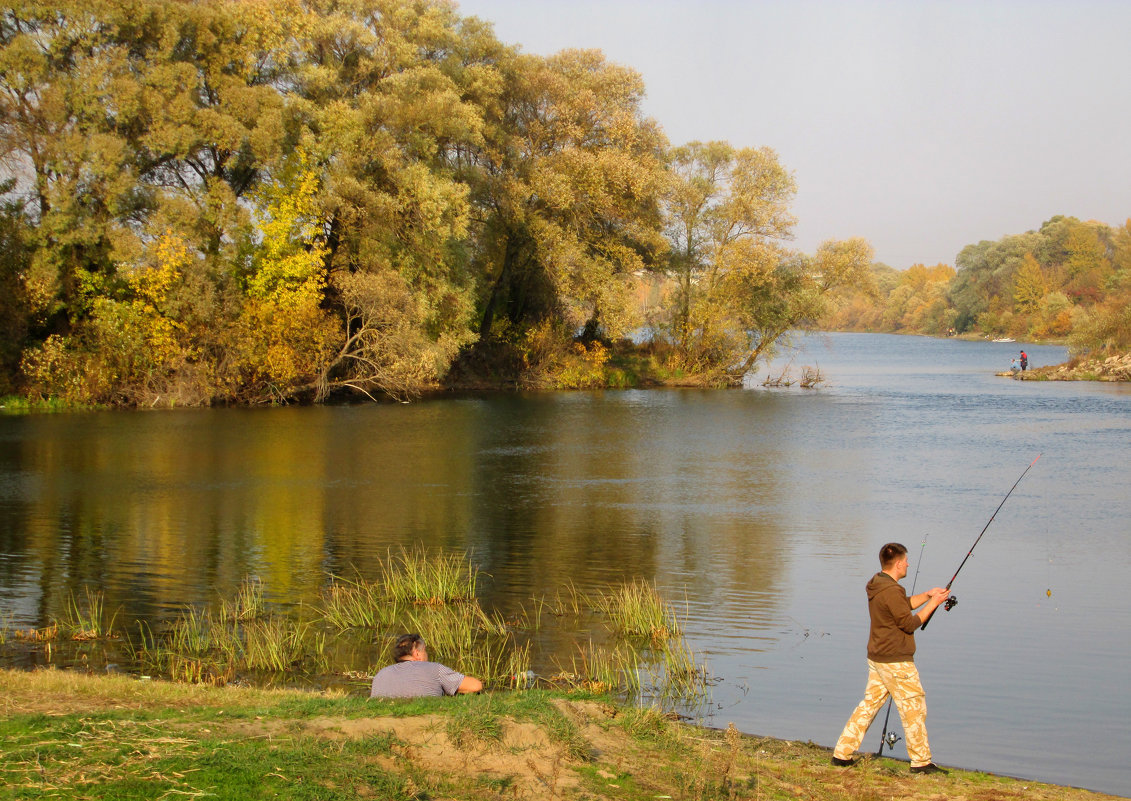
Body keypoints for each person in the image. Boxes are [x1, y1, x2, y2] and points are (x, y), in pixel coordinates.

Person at [831, 543, 950, 774]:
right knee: (914, 707)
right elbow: (909, 623)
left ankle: (841, 754)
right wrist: (934, 605)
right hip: (896, 661)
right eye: (906, 560)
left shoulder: (878, 583)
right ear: (898, 563)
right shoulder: (892, 590)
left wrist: (928, 595)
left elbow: (902, 607)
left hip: (877, 657)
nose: (908, 564)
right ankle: (921, 762)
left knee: (869, 705)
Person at [369, 633, 483, 698]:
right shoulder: (434, 669)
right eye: (425, 651)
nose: (427, 654)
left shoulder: (380, 674)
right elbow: (475, 686)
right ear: (417, 654)